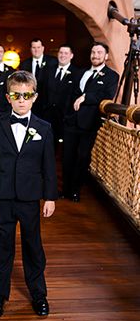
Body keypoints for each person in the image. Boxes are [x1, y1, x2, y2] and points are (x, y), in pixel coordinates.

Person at [0, 70, 58, 318]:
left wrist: (50, 197)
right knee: (3, 247)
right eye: (16, 95)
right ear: (8, 97)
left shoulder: (44, 128)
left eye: (26, 95)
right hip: (2, 196)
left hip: (29, 197)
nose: (21, 100)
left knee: (32, 245)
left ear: (34, 97)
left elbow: (49, 167)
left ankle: (39, 294)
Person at [62, 41, 119, 202]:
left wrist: (86, 97)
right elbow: (70, 95)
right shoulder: (81, 72)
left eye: (99, 53)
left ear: (106, 56)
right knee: (67, 157)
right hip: (72, 122)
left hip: (89, 123)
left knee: (82, 157)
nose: (95, 55)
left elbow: (106, 95)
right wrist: (67, 116)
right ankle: (65, 190)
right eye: (93, 52)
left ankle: (75, 190)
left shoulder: (111, 76)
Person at [43, 44, 81, 148]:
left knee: (65, 149)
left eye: (66, 53)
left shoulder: (77, 73)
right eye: (61, 53)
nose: (63, 55)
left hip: (66, 117)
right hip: (48, 116)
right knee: (48, 146)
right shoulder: (48, 70)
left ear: (71, 55)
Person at [20, 38, 56, 117]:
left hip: (48, 105)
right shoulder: (24, 64)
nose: (36, 50)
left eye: (38, 47)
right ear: (30, 49)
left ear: (43, 48)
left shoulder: (53, 62)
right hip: (30, 103)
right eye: (34, 48)